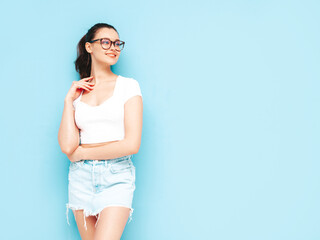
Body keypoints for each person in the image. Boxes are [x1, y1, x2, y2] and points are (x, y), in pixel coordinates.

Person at [58, 22, 143, 240]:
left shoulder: (128, 86)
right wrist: (68, 101)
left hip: (116, 176)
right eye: (106, 42)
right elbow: (68, 146)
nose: (113, 47)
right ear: (89, 47)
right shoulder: (79, 92)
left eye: (117, 43)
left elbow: (131, 144)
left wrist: (83, 152)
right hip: (80, 178)